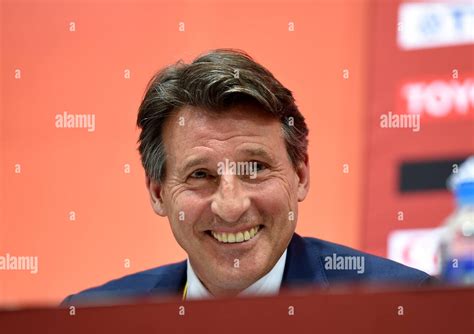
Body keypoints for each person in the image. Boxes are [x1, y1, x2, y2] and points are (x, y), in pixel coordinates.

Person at [62, 49, 433, 306]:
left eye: (255, 168)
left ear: (300, 175)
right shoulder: (93, 321)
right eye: (201, 174)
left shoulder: (402, 305)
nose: (231, 206)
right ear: (158, 193)